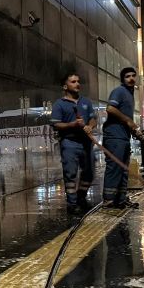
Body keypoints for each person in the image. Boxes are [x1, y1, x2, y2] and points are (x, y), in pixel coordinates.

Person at [50, 72, 97, 216]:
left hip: (86, 143)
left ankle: (81, 197)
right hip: (69, 143)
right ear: (65, 86)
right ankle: (72, 204)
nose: (77, 84)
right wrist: (72, 125)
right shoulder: (59, 104)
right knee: (70, 174)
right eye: (73, 81)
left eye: (78, 81)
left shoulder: (86, 102)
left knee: (89, 172)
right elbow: (56, 124)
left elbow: (93, 118)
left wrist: (90, 126)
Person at [102, 67, 144, 208]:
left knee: (123, 168)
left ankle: (121, 199)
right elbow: (110, 108)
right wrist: (128, 121)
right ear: (123, 79)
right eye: (127, 76)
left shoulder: (130, 94)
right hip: (114, 136)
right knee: (115, 167)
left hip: (123, 137)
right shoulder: (120, 91)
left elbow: (125, 119)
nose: (131, 78)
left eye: (133, 76)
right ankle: (109, 200)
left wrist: (134, 131)